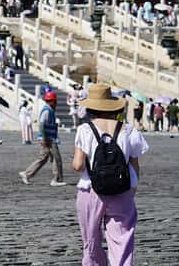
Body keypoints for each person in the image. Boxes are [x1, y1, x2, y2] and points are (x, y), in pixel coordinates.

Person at [72, 83, 149, 266]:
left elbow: (78, 165)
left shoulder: (85, 130)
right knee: (122, 241)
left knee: (91, 241)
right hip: (122, 191)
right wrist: (132, 190)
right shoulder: (129, 130)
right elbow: (135, 165)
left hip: (90, 191)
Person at [19, 90, 67, 187]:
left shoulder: (49, 110)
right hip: (48, 139)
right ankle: (56, 179)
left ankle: (27, 174)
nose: (56, 103)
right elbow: (41, 125)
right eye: (55, 101)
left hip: (48, 138)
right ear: (52, 101)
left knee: (44, 158)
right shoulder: (47, 110)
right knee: (56, 158)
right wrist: (45, 138)